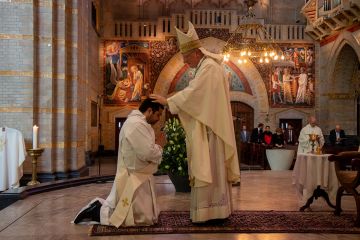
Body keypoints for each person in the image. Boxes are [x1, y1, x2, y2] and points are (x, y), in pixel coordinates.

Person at [150, 22, 240, 223]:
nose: (184, 61)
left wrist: (168, 101)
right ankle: (212, 211)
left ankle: (212, 212)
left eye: (186, 57)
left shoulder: (208, 68)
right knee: (210, 170)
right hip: (208, 127)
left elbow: (194, 94)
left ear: (196, 53)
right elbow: (197, 95)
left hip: (211, 130)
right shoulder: (206, 67)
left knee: (210, 169)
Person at [74, 98, 164, 227]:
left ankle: (99, 209)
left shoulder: (139, 123)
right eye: (158, 114)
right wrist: (159, 146)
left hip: (140, 175)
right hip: (133, 176)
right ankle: (97, 211)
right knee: (135, 218)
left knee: (144, 217)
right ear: (149, 111)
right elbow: (147, 153)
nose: (159, 118)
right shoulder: (136, 124)